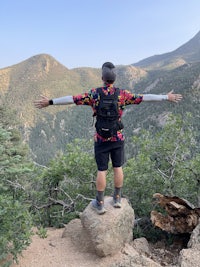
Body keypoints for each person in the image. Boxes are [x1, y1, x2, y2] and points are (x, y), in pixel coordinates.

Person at [34, 62, 183, 215]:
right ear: (114, 80)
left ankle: (99, 203)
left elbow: (72, 99)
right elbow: (145, 97)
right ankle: (117, 199)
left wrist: (50, 102)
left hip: (101, 139)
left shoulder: (94, 94)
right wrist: (166, 97)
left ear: (102, 78)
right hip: (117, 137)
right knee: (118, 167)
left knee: (102, 170)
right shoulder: (122, 94)